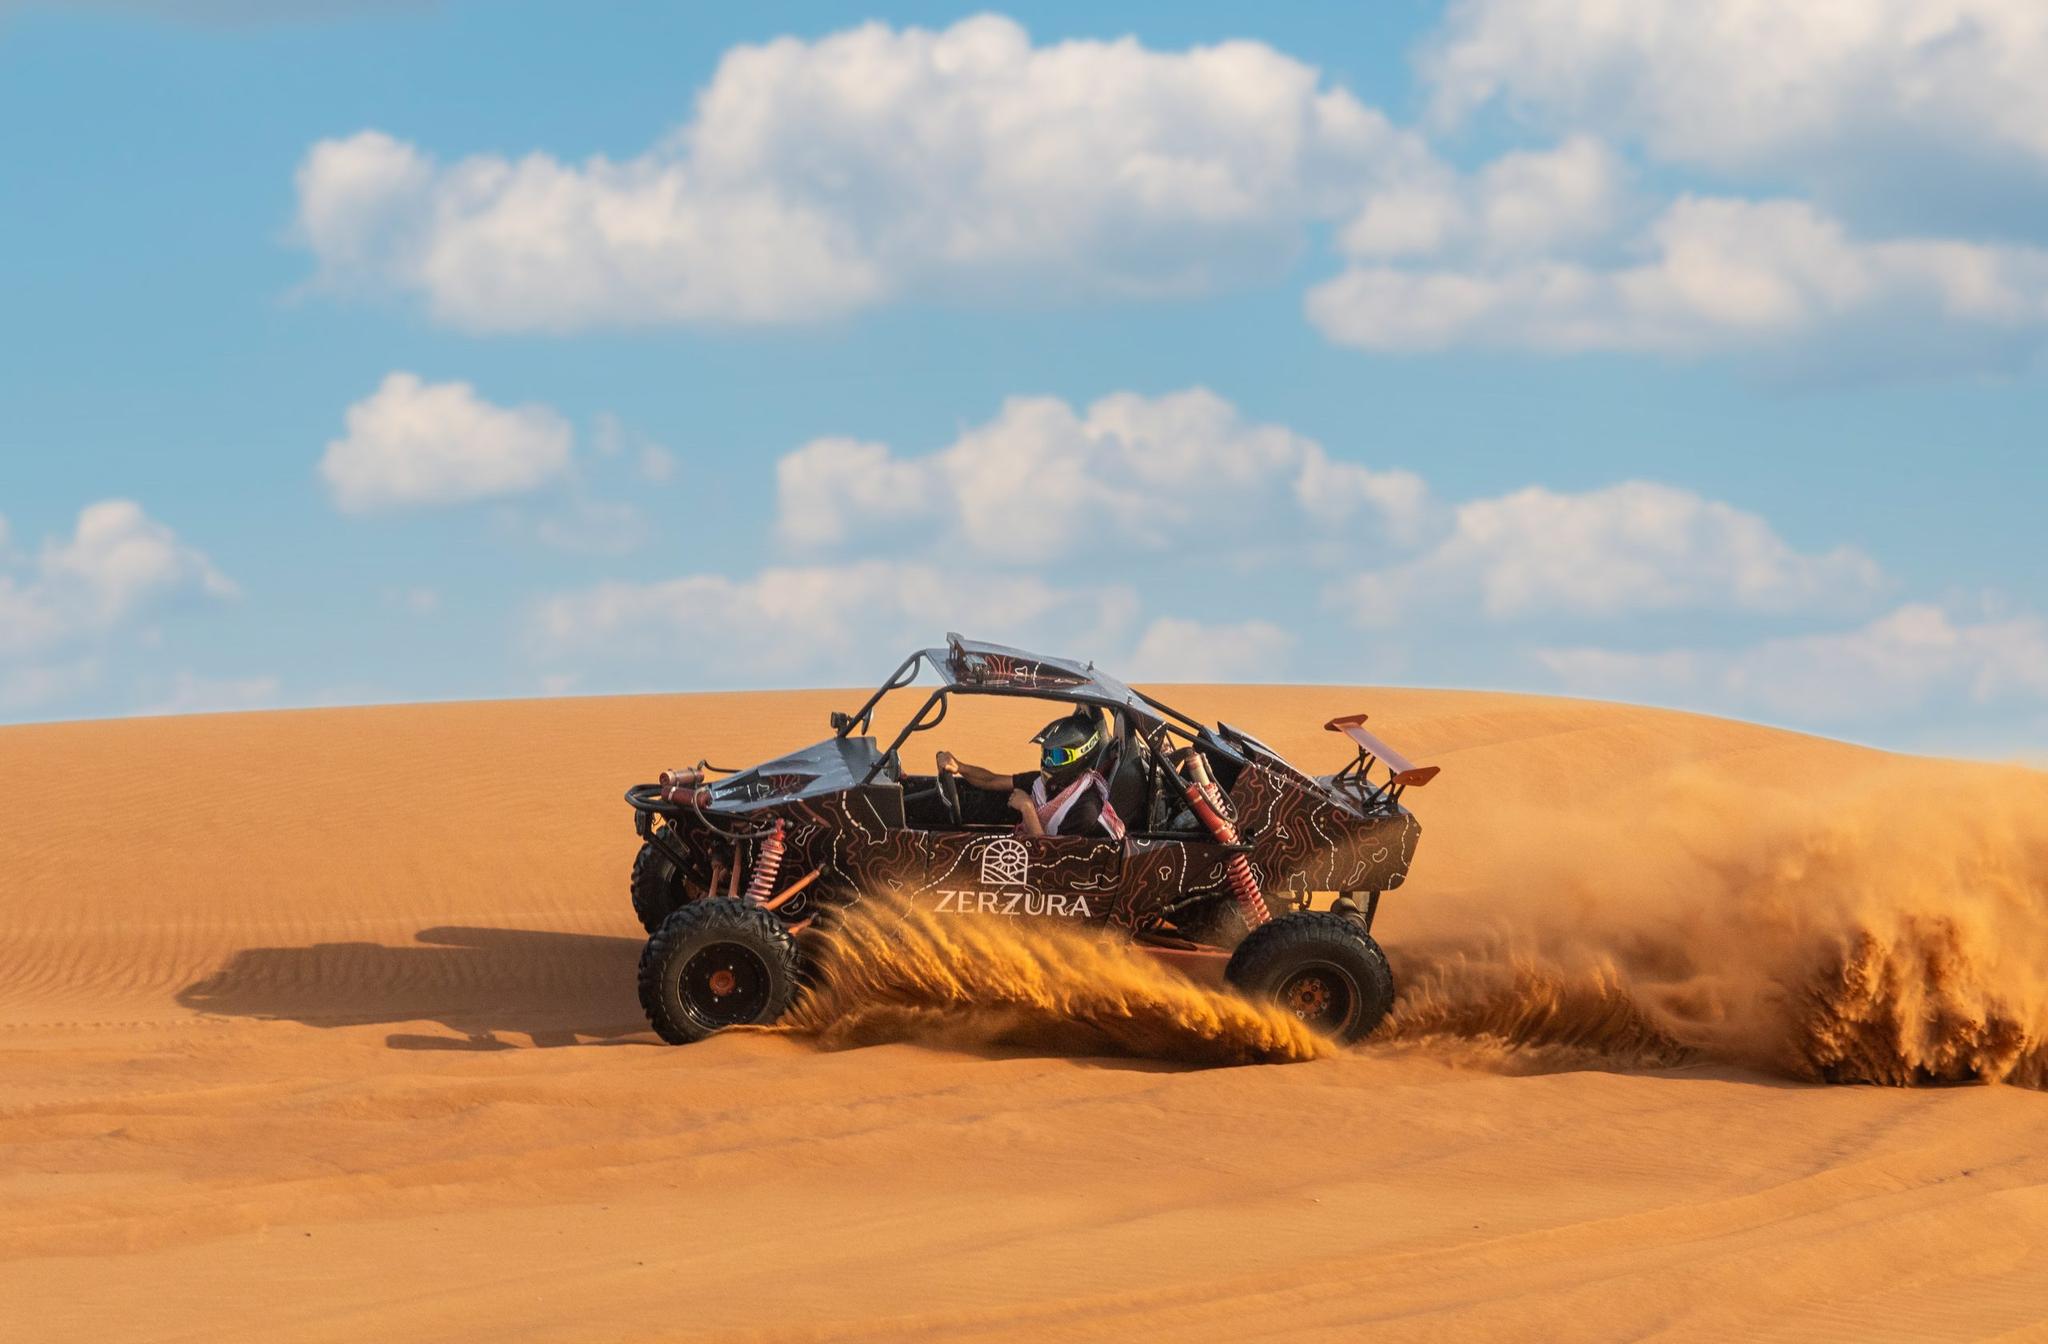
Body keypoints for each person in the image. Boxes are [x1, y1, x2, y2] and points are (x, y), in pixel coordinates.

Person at [937, 708, 1127, 839]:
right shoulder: (1044, 784)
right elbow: (992, 780)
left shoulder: (1086, 808)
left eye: (1058, 756)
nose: (1048, 763)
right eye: (1046, 754)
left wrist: (1028, 808)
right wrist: (959, 767)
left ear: (1081, 756)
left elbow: (1049, 857)